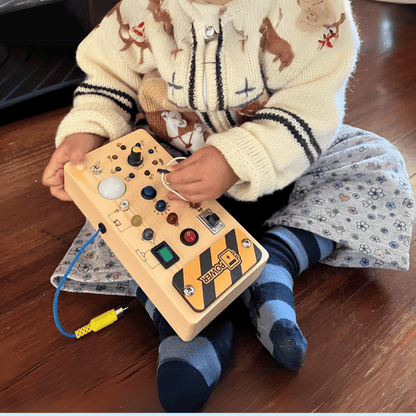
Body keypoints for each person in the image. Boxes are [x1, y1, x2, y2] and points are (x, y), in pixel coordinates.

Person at [42, 0, 414, 412]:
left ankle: (275, 260)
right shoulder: (142, 7)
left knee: (378, 163)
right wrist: (89, 130)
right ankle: (189, 321)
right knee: (114, 221)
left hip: (282, 158)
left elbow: (312, 104)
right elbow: (110, 78)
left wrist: (237, 158)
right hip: (173, 179)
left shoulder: (314, 11)